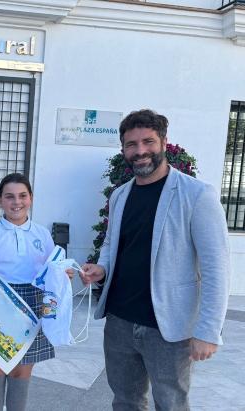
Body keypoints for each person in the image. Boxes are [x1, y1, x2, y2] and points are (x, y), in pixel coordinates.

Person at [80, 109, 230, 410]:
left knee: (171, 405)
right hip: (120, 322)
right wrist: (102, 267)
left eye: (148, 141)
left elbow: (217, 268)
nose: (140, 151)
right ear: (123, 149)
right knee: (125, 402)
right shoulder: (120, 195)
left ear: (163, 142)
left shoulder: (197, 195)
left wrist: (208, 331)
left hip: (169, 329)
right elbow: (111, 242)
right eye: (131, 144)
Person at [0, 173, 73, 411]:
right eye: (9, 197)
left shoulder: (42, 234)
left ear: (31, 198)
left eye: (22, 196)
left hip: (33, 303)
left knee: (21, 370)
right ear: (0, 201)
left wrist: (63, 275)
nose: (17, 202)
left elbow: (52, 271)